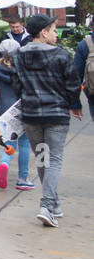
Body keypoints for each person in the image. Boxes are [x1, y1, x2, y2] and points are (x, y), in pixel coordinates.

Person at [13, 14, 83, 227]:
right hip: (56, 115)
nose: (56, 34)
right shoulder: (61, 55)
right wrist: (75, 105)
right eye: (53, 30)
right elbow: (72, 84)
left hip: (31, 115)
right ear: (43, 33)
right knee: (54, 159)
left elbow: (17, 86)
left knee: (43, 158)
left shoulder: (19, 55)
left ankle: (54, 204)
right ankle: (47, 204)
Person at [0, 38, 31, 190]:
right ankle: (23, 178)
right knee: (24, 144)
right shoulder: (24, 68)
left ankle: (4, 164)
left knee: (9, 142)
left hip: (5, 110)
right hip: (23, 108)